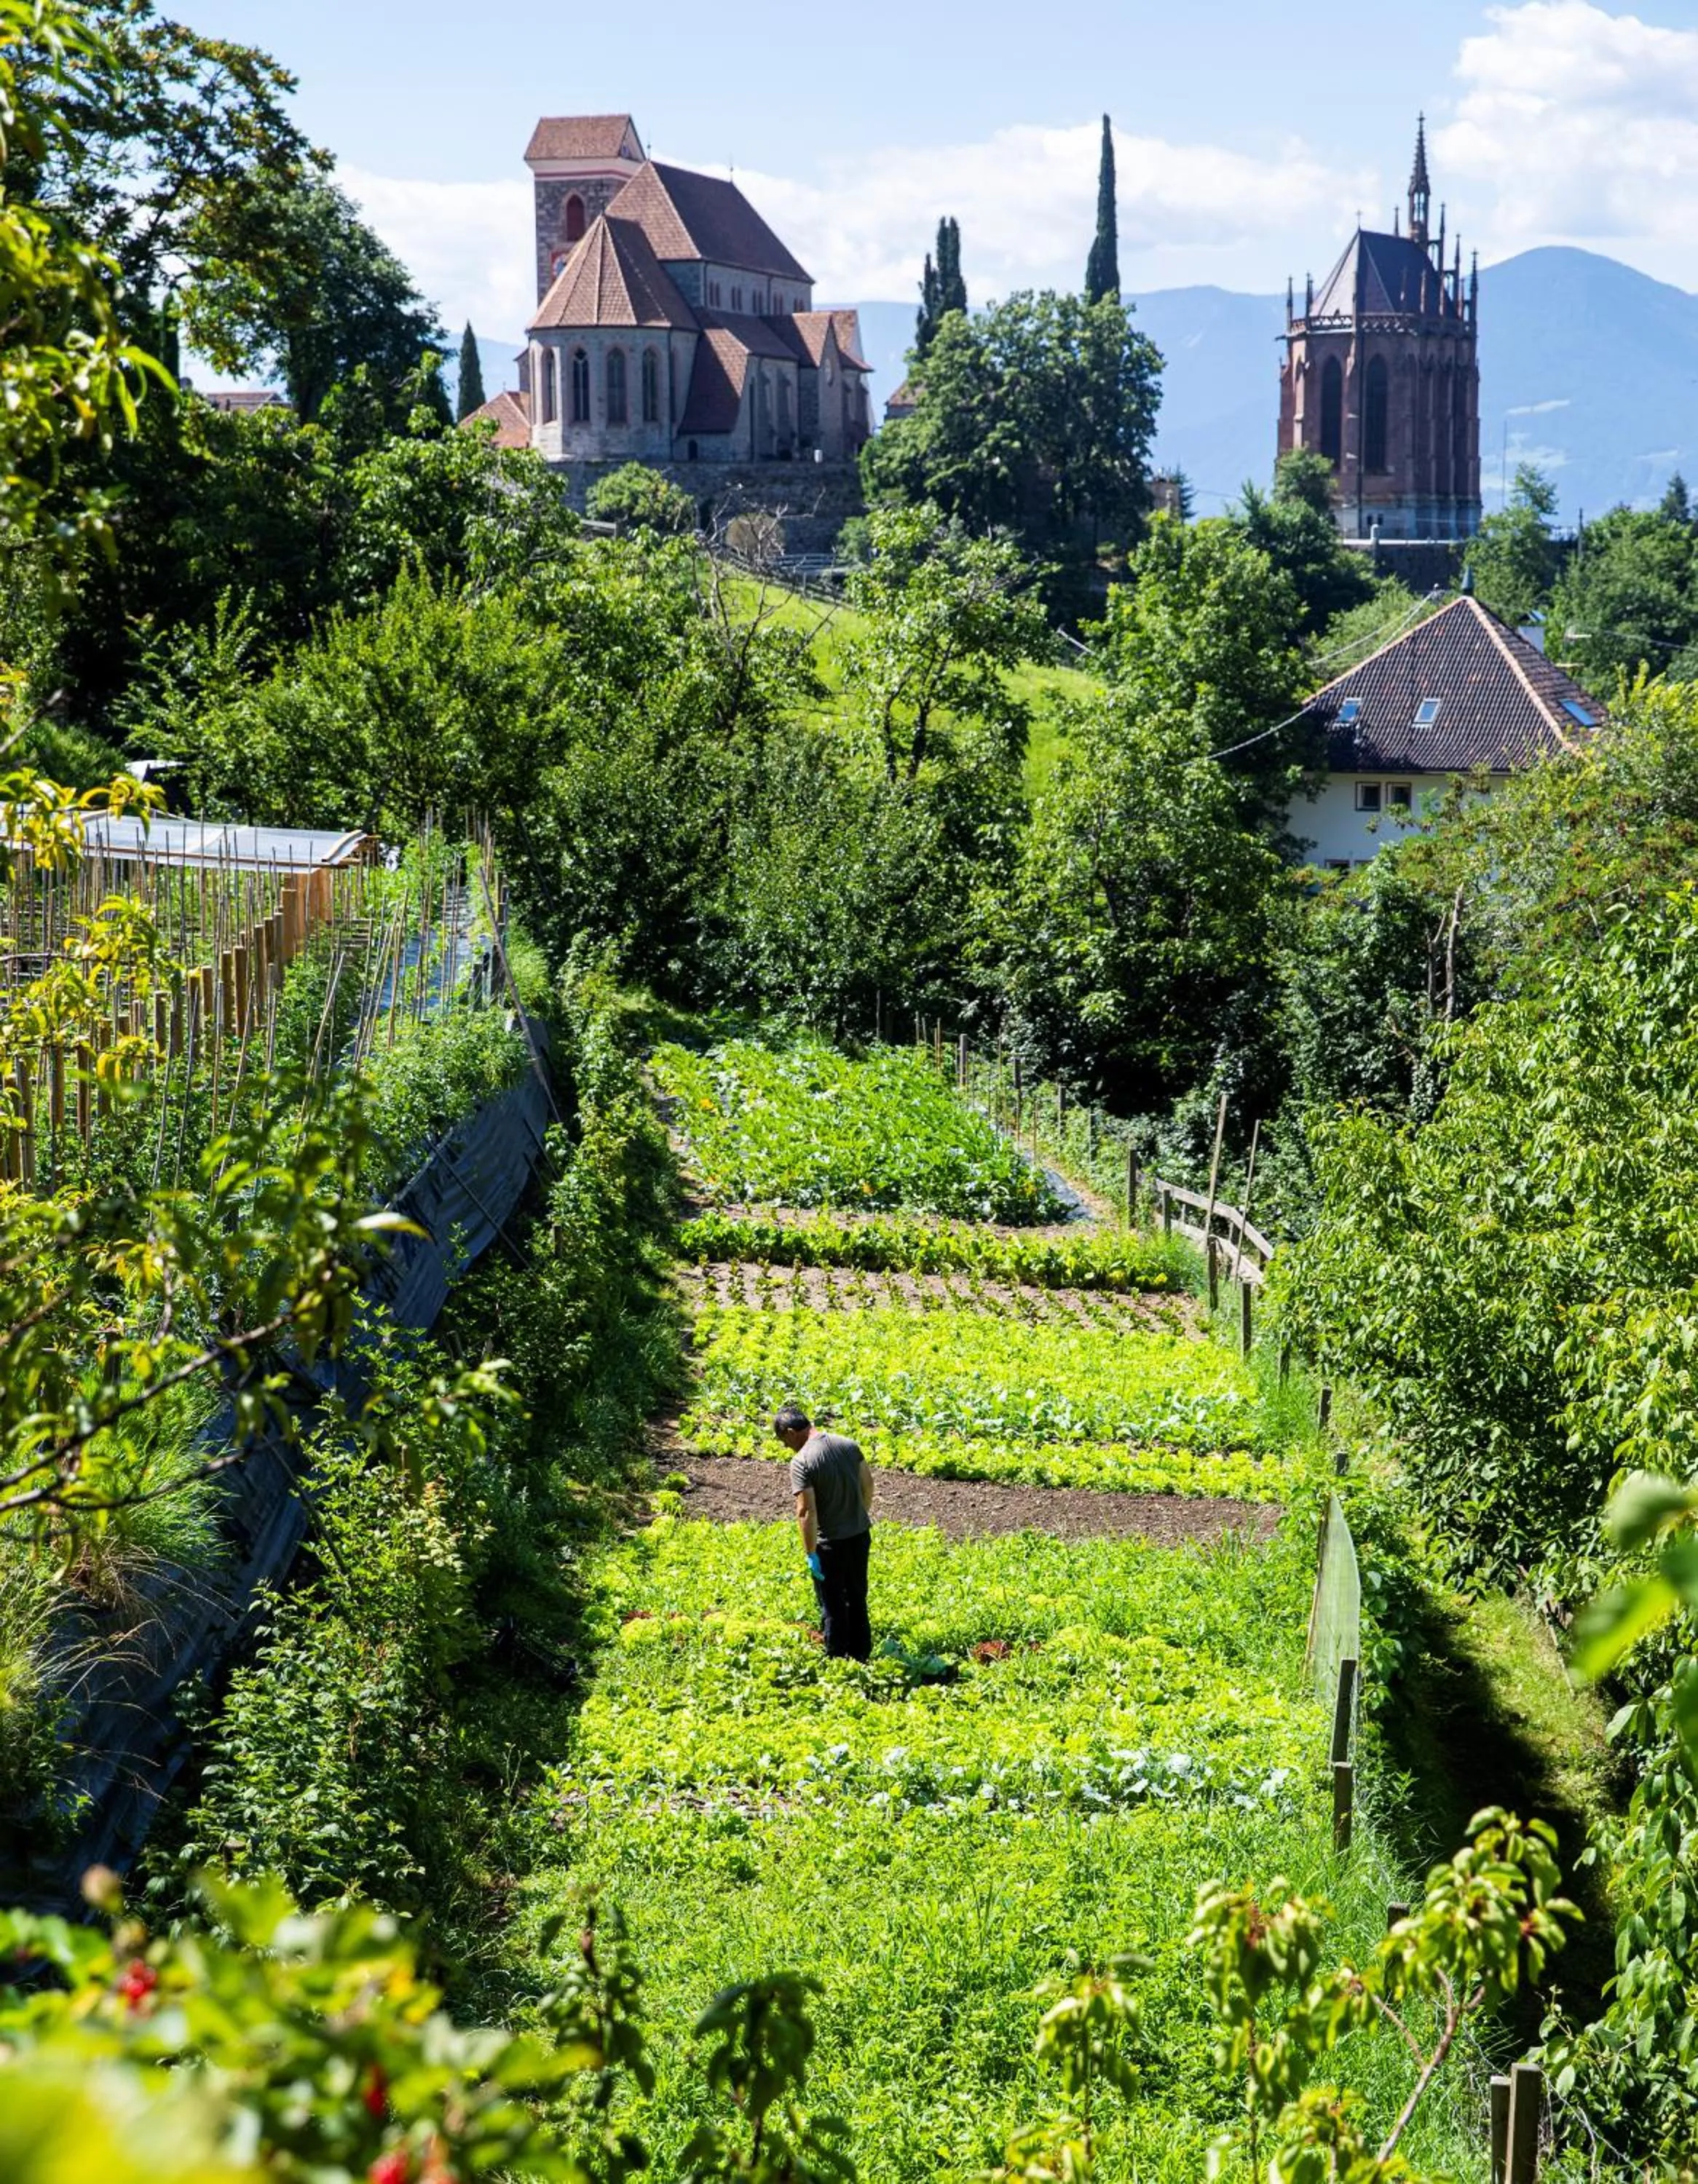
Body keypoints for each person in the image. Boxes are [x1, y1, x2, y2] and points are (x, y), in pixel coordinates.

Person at [773, 1403, 874, 1661]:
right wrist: (855, 1516)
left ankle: (837, 1660)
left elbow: (806, 1511)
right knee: (857, 1596)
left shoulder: (802, 1461)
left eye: (784, 1441)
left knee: (833, 1605)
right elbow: (868, 1485)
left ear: (790, 1431)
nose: (787, 1447)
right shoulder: (848, 1445)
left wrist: (810, 1553)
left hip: (830, 1545)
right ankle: (861, 1655)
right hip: (860, 1536)